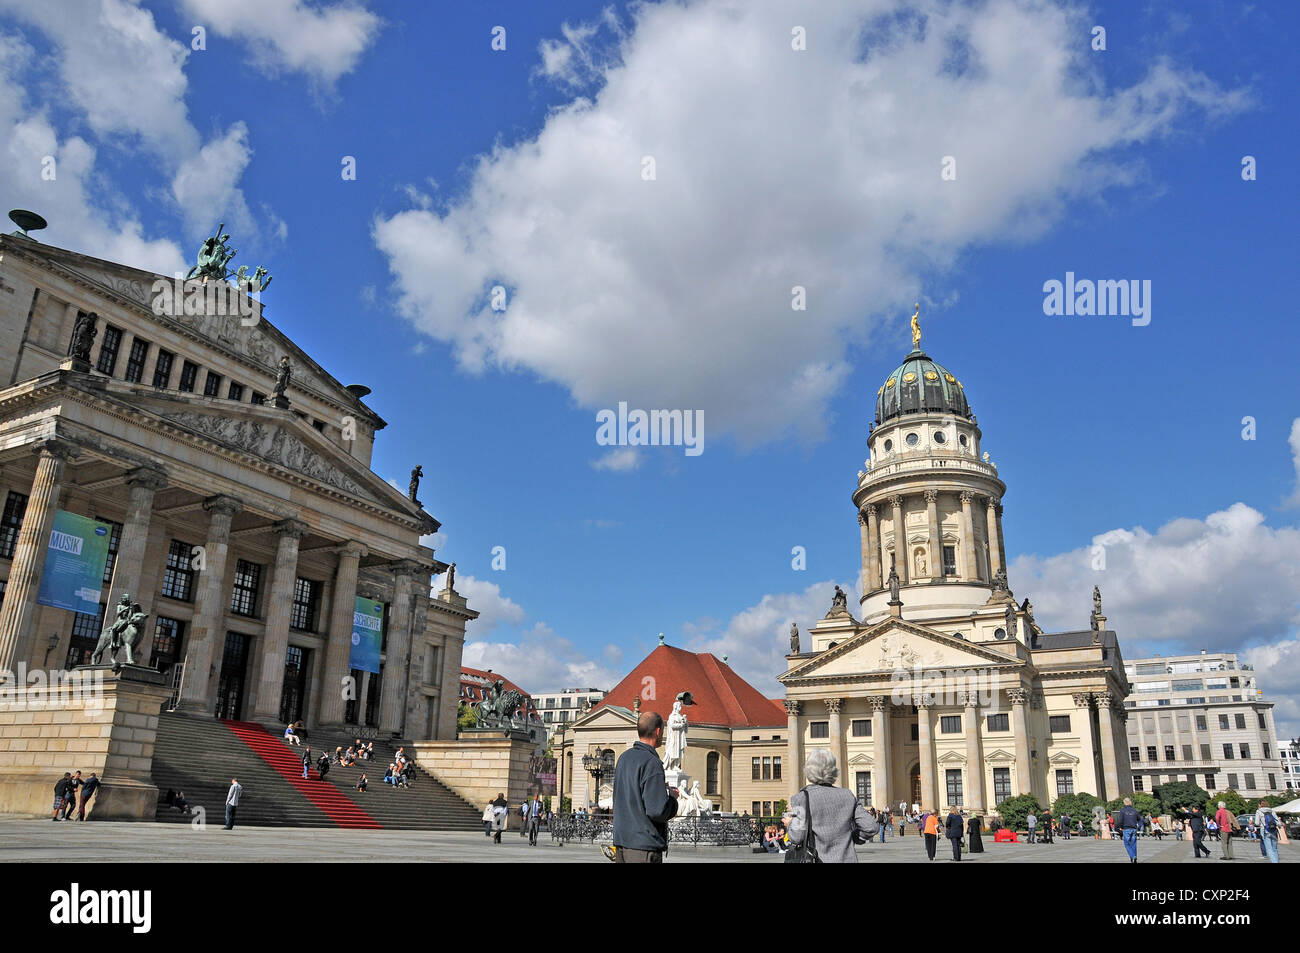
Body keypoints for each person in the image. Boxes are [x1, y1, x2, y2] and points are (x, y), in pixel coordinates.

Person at [611, 711, 681, 863]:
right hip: (643, 846)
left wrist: (658, 789)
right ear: (658, 731)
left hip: (622, 842)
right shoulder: (651, 762)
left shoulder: (624, 758)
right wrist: (672, 799)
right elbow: (657, 811)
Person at [787, 749, 879, 863]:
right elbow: (871, 827)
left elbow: (796, 837)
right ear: (833, 770)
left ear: (809, 771)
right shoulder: (847, 795)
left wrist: (789, 823)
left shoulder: (801, 798)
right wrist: (853, 837)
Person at [1116, 797, 1141, 863]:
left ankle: (1133, 857)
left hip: (1126, 829)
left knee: (1127, 844)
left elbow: (1120, 821)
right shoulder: (1135, 810)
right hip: (1134, 829)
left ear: (1124, 803)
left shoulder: (1123, 810)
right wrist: (1138, 826)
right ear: (1130, 802)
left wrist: (1119, 827)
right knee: (1134, 844)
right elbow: (1140, 819)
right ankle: (1134, 859)